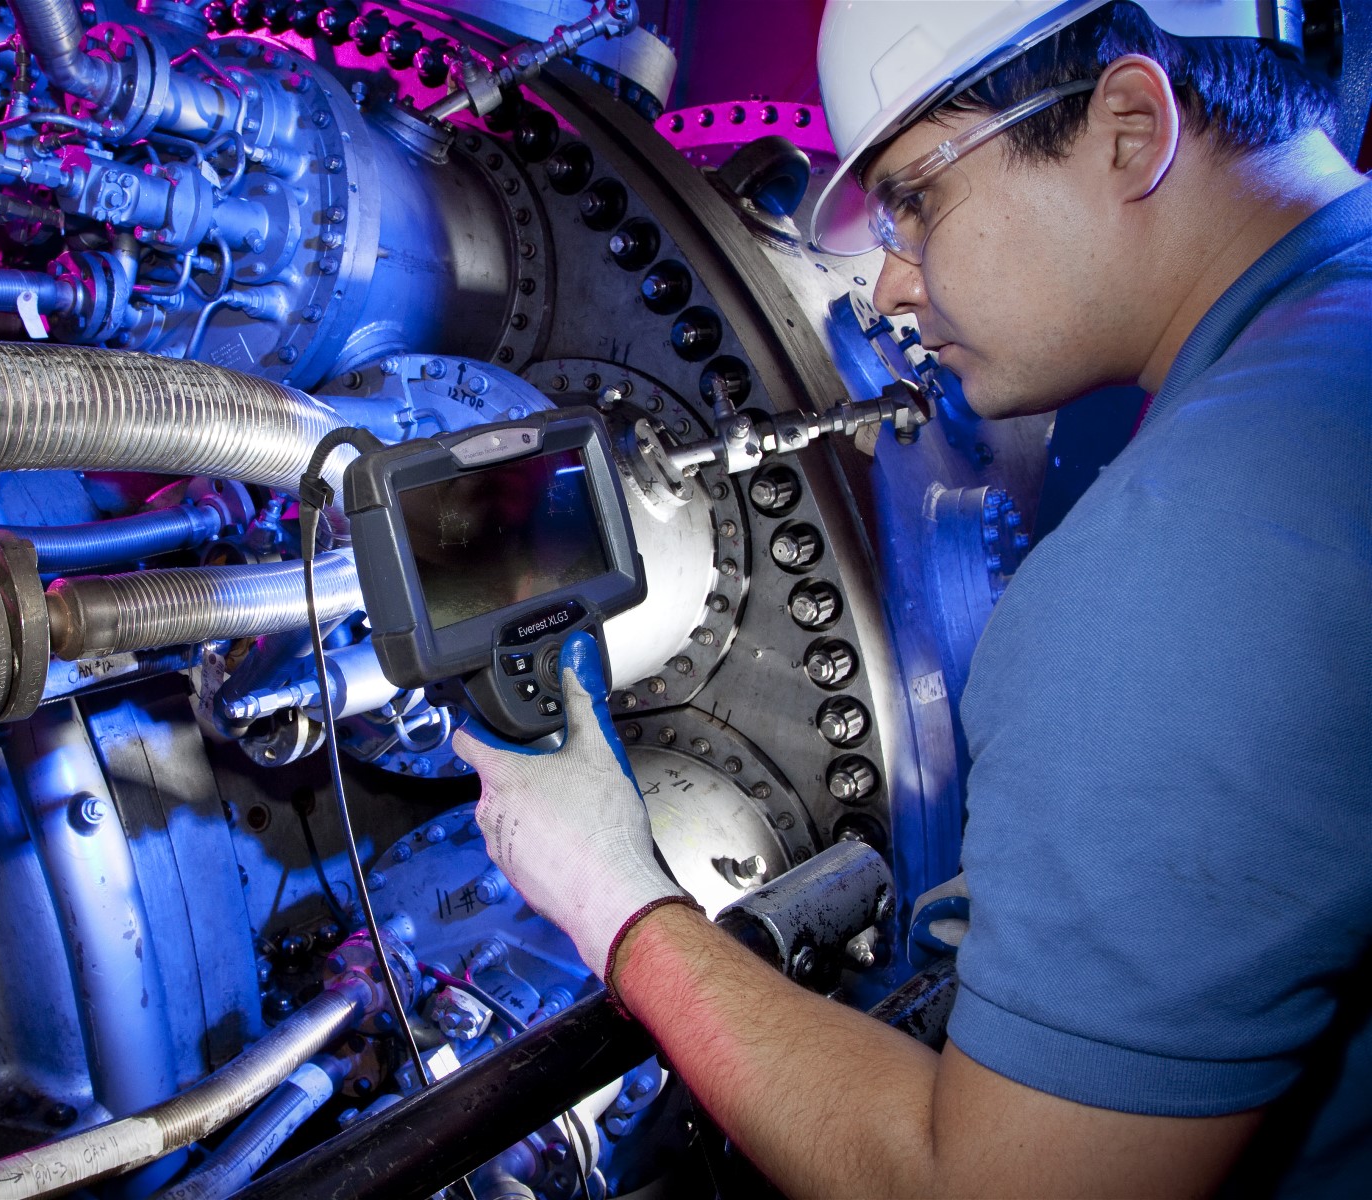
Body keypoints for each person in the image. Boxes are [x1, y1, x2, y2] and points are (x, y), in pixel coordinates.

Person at [453, 1, 1372, 1194]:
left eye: (918, 201)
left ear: (1131, 129)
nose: (890, 285)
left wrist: (616, 899)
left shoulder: (1189, 552)